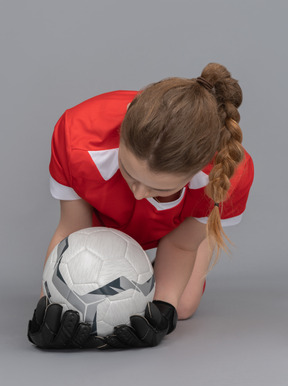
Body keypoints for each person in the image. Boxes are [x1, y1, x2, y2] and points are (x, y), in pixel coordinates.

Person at [28, 63, 254, 349]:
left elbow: (181, 247)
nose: (138, 194)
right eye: (129, 172)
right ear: (121, 133)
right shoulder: (76, 135)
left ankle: (200, 229)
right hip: (103, 217)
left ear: (199, 167)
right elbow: (73, 230)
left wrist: (164, 307)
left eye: (159, 189)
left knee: (183, 307)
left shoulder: (228, 171)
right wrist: (48, 304)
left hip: (177, 228)